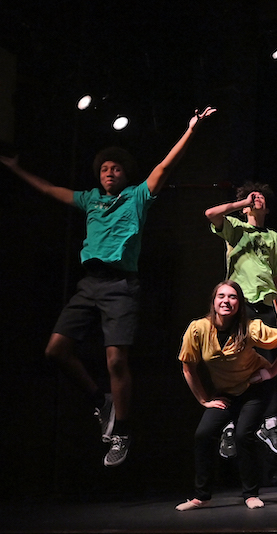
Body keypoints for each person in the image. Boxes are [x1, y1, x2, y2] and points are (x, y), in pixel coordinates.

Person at [1, 106, 214, 466]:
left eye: (115, 168)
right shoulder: (90, 199)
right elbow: (51, 190)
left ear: (124, 173)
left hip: (120, 286)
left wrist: (191, 130)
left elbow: (163, 167)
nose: (109, 172)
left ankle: (123, 431)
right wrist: (16, 169)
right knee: (55, 350)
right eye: (104, 168)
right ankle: (101, 400)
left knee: (116, 358)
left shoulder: (137, 197)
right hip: (89, 285)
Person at [175, 281, 277, 510]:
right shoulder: (199, 329)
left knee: (243, 436)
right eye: (221, 296)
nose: (226, 301)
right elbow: (188, 367)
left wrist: (270, 372)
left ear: (239, 303)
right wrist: (203, 400)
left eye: (232, 297)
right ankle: (202, 496)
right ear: (213, 301)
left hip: (254, 390)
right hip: (225, 392)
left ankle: (250, 494)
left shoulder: (250, 328)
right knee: (203, 435)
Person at [203, 182, 277, 462]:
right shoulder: (234, 228)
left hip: (264, 306)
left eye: (261, 197)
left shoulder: (276, 238)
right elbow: (210, 213)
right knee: (228, 361)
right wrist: (242, 204)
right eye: (253, 197)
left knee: (268, 366)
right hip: (238, 307)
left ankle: (270, 426)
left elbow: (276, 279)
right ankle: (227, 427)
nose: (257, 200)